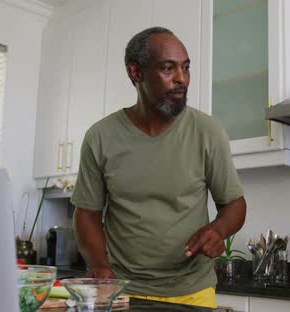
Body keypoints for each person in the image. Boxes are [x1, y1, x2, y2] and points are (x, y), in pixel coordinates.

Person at [70, 26, 247, 308]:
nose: (181, 79)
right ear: (136, 72)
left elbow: (234, 204)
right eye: (168, 68)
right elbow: (87, 214)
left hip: (193, 290)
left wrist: (218, 229)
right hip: (123, 290)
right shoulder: (100, 137)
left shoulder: (207, 131)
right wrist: (99, 264)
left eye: (186, 68)